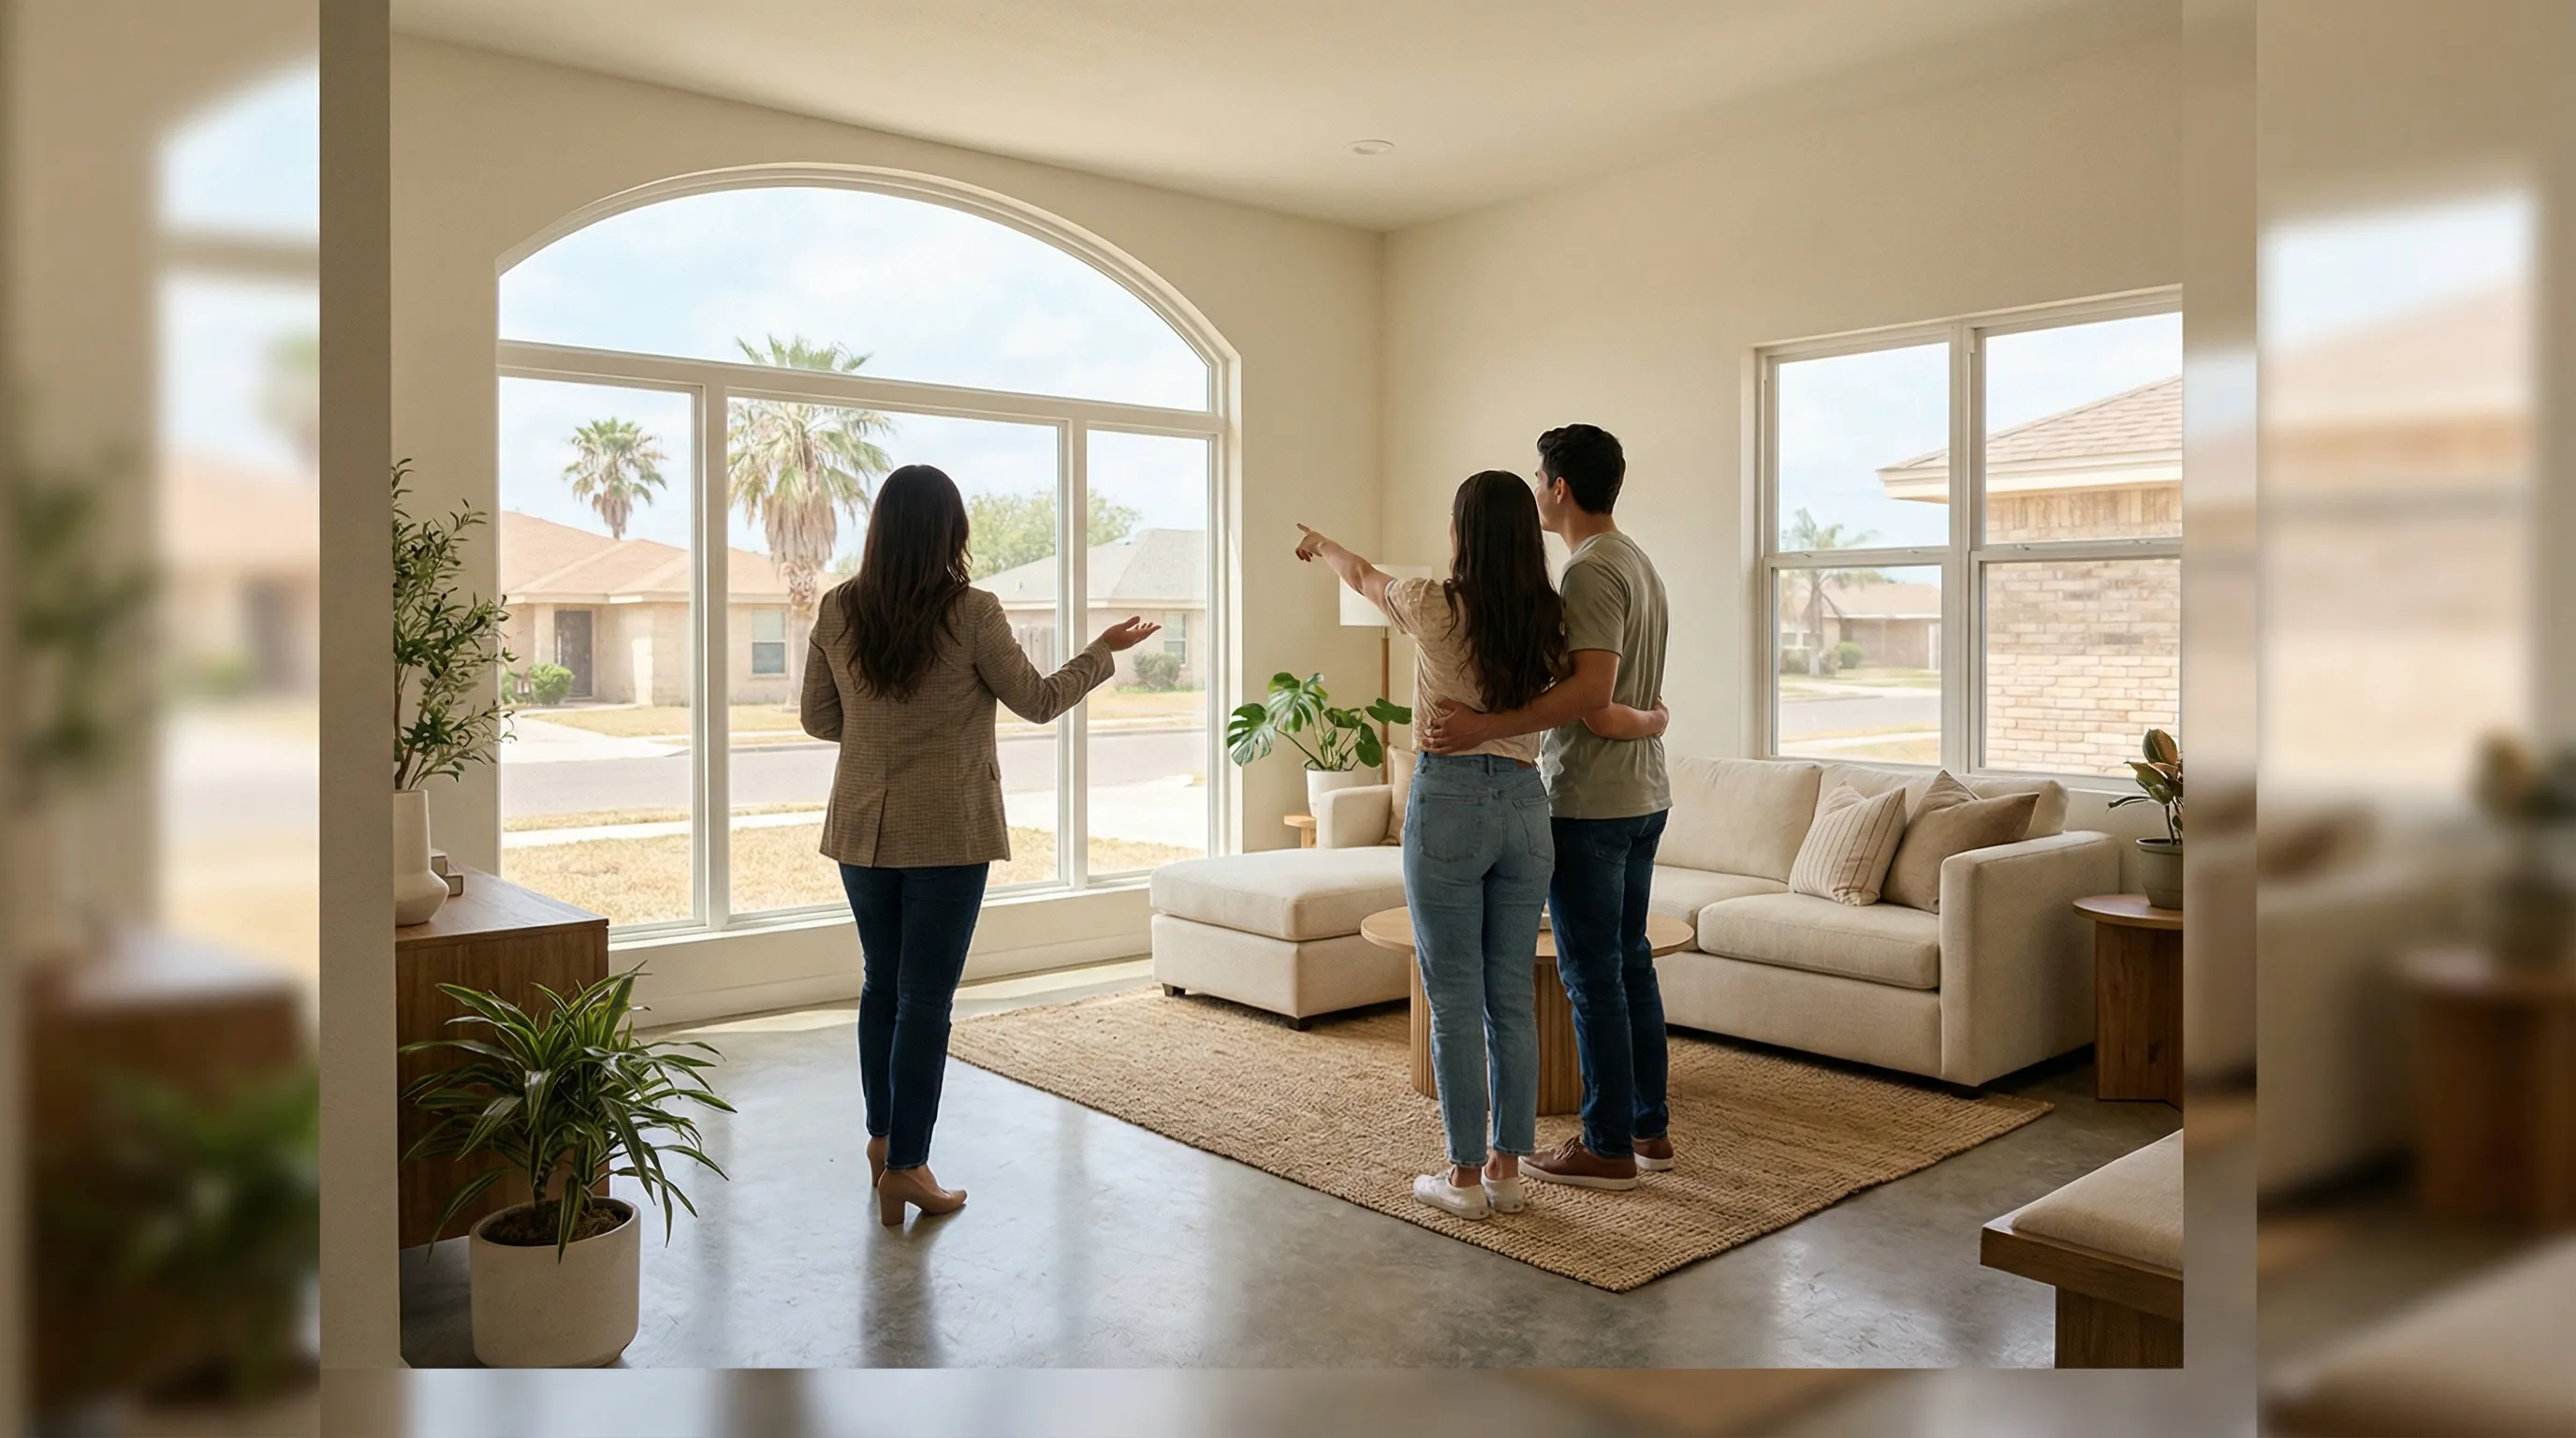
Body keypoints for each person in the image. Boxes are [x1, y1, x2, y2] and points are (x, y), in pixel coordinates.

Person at [1295, 472, 1662, 1220]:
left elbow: (1365, 577)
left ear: (1463, 531)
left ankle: (1461, 1178)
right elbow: (1589, 698)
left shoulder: (1434, 603)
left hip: (1451, 802)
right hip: (1528, 806)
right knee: (1511, 1001)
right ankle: (1507, 1170)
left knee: (1453, 999)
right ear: (1528, 533)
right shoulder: (1552, 617)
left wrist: (1322, 544)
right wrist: (1653, 721)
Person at [802, 465, 1160, 1225]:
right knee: (925, 1000)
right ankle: (908, 1164)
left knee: (881, 986)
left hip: (861, 827)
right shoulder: (972, 611)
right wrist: (1100, 650)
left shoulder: (838, 607)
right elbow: (1037, 701)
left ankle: (882, 1140)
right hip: (948, 831)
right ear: (951, 533)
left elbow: (817, 718)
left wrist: (877, 740)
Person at [1419, 424, 1673, 1192]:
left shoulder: (1589, 574)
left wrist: (1485, 727)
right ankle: (1646, 1129)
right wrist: (1657, 721)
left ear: (1559, 489)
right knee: (1629, 968)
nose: (1536, 491)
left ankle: (1605, 1145)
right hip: (1643, 792)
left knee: (1593, 977)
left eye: (1540, 478)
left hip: (1594, 800)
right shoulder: (1639, 562)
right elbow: (1630, 699)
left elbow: (1594, 701)